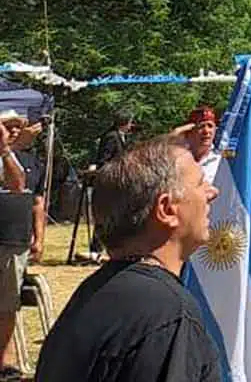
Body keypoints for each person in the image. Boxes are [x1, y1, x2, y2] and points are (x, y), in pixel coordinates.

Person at [35, 139, 222, 382]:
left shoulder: (96, 290)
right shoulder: (167, 312)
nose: (212, 192)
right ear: (166, 210)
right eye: (200, 183)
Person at [0, 114, 46, 382]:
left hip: (14, 239)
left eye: (18, 127)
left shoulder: (30, 162)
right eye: (8, 127)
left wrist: (38, 237)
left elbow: (28, 194)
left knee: (7, 303)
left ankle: (3, 361)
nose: (13, 132)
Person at [85, 111, 136, 263]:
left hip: (118, 180)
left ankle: (109, 248)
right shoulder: (112, 136)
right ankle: (96, 249)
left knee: (115, 217)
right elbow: (105, 159)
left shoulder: (120, 136)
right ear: (125, 122)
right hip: (109, 180)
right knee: (106, 216)